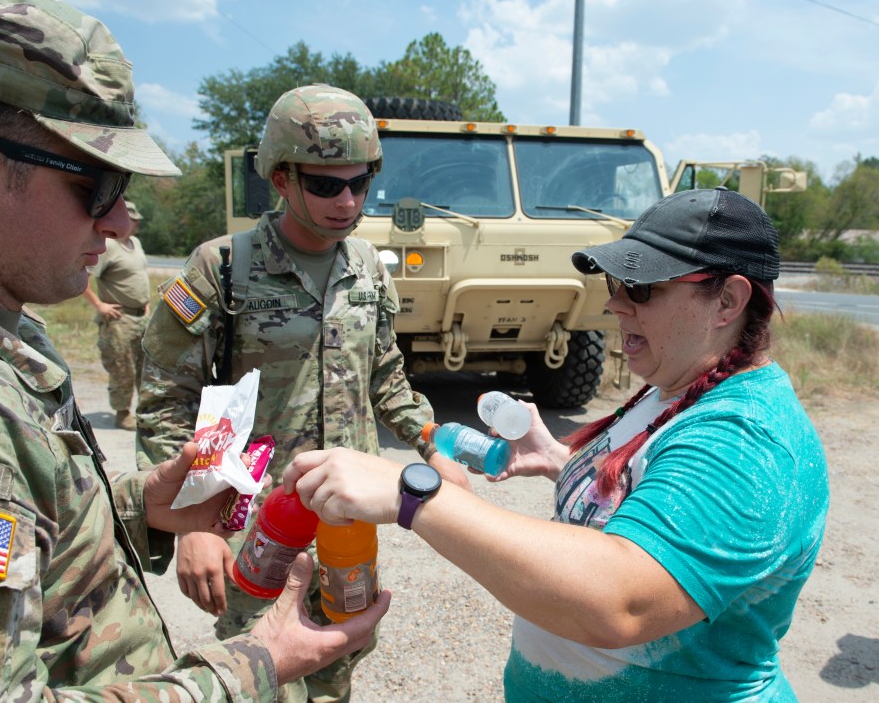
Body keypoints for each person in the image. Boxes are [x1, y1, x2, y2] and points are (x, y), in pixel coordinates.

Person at [0, 0, 388, 700]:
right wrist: (252, 665)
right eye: (98, 184)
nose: (120, 225)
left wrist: (135, 508)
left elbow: (27, 550)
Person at [283, 187, 830, 700]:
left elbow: (619, 601)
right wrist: (562, 462)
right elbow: (647, 490)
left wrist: (414, 497)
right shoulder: (676, 388)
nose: (617, 306)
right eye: (614, 286)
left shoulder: (745, 441)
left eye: (640, 289)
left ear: (727, 302)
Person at [137, 83, 465, 702]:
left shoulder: (367, 265)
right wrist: (192, 525)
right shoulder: (222, 267)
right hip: (256, 523)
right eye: (325, 184)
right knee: (259, 669)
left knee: (341, 652)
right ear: (281, 178)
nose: (347, 200)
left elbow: (386, 377)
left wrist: (432, 443)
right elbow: (164, 401)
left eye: (360, 182)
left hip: (347, 517)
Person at [83, 199, 150, 430]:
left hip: (141, 317)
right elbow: (85, 277)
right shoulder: (109, 246)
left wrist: (146, 304)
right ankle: (122, 414)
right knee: (122, 368)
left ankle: (145, 411)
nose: (134, 223)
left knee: (145, 368)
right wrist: (100, 305)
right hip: (119, 318)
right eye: (131, 219)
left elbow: (138, 276)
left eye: (135, 220)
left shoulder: (136, 243)